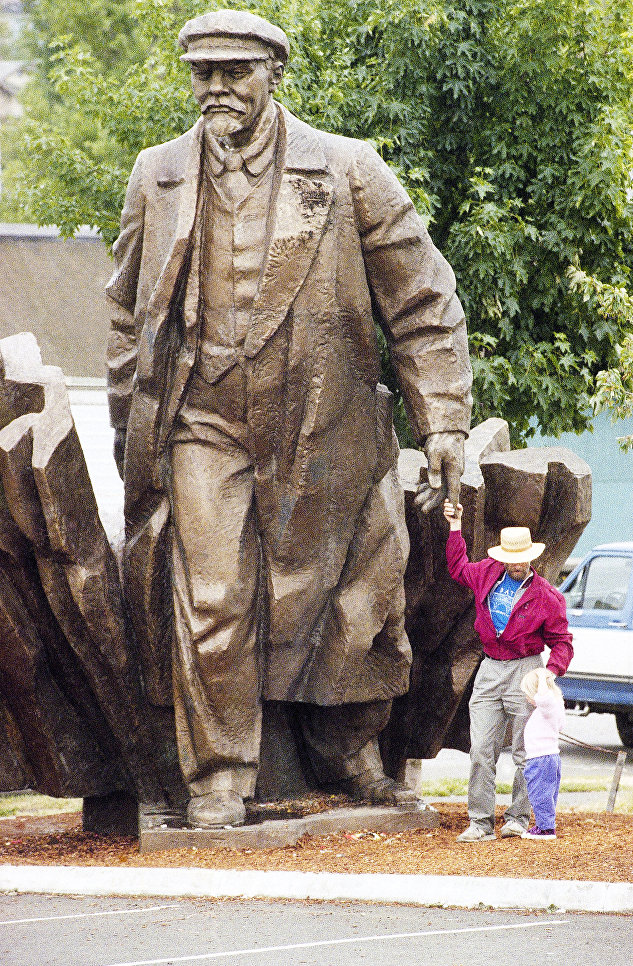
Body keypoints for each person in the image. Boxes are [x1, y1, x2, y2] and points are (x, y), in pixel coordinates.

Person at [106, 8, 473, 828]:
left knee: (352, 596)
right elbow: (128, 311)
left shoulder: (347, 168)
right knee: (213, 595)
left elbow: (421, 302)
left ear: (273, 73)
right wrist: (130, 421)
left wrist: (442, 419)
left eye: (234, 71)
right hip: (203, 417)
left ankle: (349, 749)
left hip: (324, 419)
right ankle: (220, 774)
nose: (216, 87)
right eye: (203, 72)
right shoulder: (156, 174)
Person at [442, 499, 573, 842]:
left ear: (531, 556)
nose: (516, 564)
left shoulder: (547, 596)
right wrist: (455, 526)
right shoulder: (486, 572)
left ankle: (517, 818)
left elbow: (562, 642)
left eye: (522, 558)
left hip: (526, 670)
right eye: (511, 558)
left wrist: (550, 672)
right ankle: (480, 823)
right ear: (502, 556)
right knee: (480, 750)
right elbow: (457, 567)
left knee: (525, 751)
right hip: (488, 668)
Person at [520, 666, 565, 840]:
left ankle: (545, 828)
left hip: (540, 759)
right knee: (548, 793)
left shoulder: (547, 706)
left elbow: (544, 698)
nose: (527, 697)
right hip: (550, 757)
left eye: (528, 693)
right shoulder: (555, 706)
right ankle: (546, 823)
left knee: (539, 793)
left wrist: (540, 678)